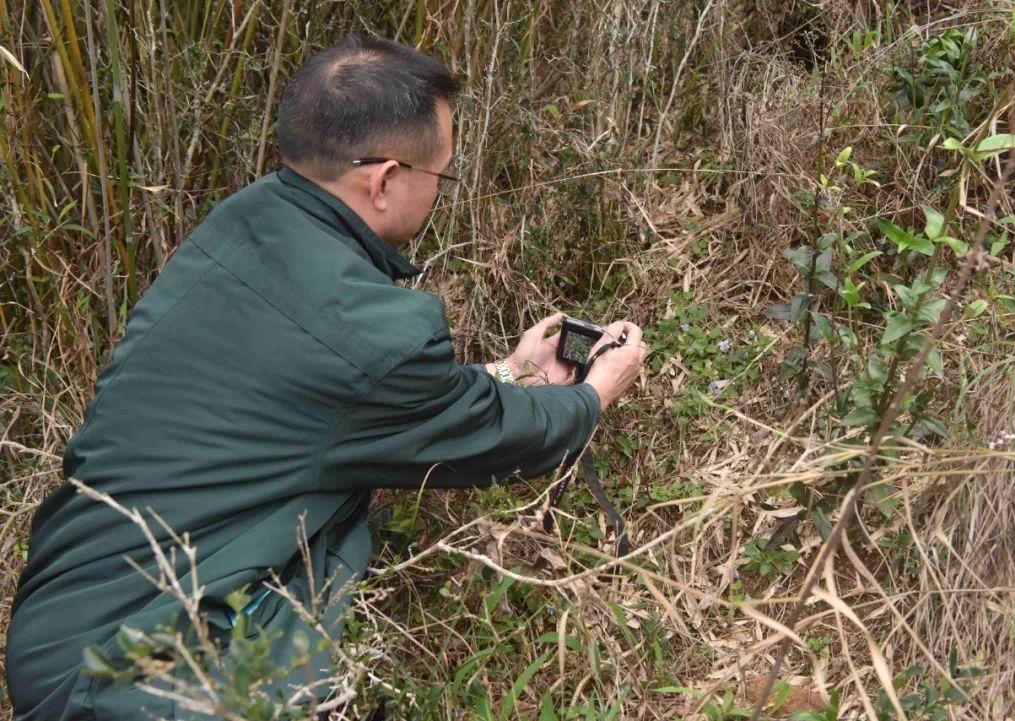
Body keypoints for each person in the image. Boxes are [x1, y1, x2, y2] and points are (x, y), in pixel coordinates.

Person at [5, 34, 645, 720]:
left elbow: (325, 395)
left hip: (57, 626)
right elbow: (480, 435)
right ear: (385, 180)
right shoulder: (371, 330)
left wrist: (510, 371)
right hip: (134, 682)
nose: (441, 191)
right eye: (442, 175)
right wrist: (591, 394)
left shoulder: (241, 226)